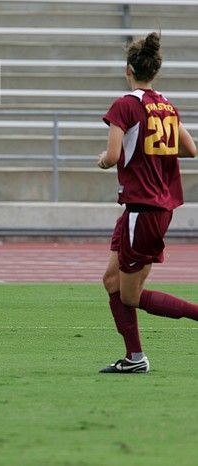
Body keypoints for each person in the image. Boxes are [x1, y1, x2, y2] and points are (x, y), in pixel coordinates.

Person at [97, 32, 198, 373]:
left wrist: (103, 159)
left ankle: (139, 357)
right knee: (111, 281)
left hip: (142, 208)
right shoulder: (166, 105)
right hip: (153, 207)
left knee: (130, 296)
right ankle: (134, 358)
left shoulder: (125, 104)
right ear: (155, 71)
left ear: (129, 70)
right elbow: (190, 149)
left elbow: (112, 156)